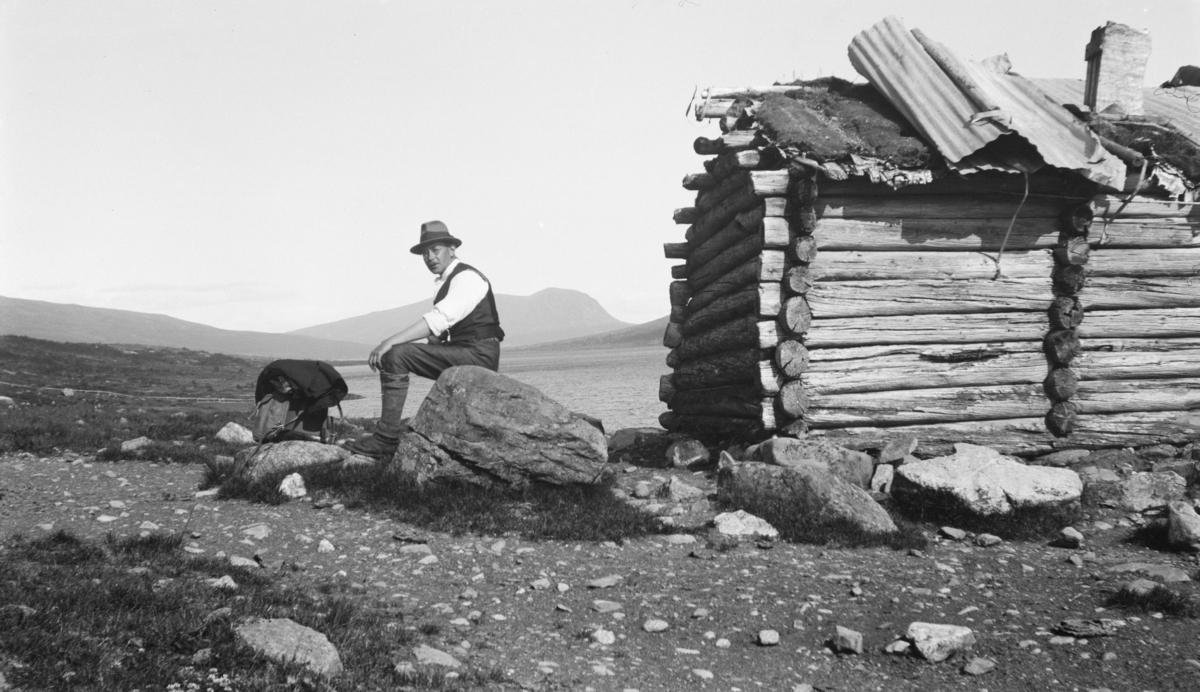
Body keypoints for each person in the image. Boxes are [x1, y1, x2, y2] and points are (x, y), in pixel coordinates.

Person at [347, 220, 504, 459]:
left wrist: (389, 341)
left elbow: (438, 319)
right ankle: (388, 436)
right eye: (425, 253)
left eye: (436, 250)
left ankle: (385, 438)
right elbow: (443, 329)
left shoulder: (467, 278)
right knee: (402, 352)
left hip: (479, 354)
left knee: (397, 354)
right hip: (468, 350)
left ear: (452, 249)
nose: (429, 257)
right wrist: (435, 343)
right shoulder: (446, 281)